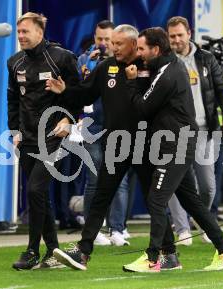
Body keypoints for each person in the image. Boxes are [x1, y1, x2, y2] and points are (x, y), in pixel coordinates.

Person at [48, 24, 181, 271]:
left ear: (134, 45)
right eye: (112, 43)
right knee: (101, 196)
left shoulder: (150, 69)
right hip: (115, 145)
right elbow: (84, 95)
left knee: (155, 201)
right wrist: (65, 91)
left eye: (119, 43)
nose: (114, 47)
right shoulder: (105, 68)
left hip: (144, 144)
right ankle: (83, 250)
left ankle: (169, 254)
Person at [121, 27, 223, 273]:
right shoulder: (169, 66)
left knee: (156, 199)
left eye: (142, 48)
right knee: (193, 203)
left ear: (155, 49)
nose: (139, 53)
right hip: (178, 141)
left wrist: (132, 83)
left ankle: (153, 258)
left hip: (175, 144)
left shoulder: (167, 73)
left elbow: (142, 108)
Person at [7, 12, 80, 270]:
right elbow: (13, 99)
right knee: (40, 197)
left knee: (36, 190)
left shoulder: (62, 57)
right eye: (18, 32)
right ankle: (54, 252)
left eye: (25, 31)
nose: (21, 36)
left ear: (40, 32)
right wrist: (14, 130)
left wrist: (69, 119)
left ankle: (31, 251)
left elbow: (78, 95)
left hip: (54, 137)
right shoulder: (14, 62)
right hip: (27, 138)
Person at [164, 16, 223, 245]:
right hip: (174, 132)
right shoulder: (163, 60)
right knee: (174, 182)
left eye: (179, 35)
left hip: (204, 130)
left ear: (189, 33)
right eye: (172, 36)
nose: (176, 40)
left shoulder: (206, 59)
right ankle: (182, 227)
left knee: (207, 186)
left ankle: (201, 219)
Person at [77, 20, 132, 246]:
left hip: (117, 127)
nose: (103, 43)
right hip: (92, 127)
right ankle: (94, 227)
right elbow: (80, 91)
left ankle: (117, 228)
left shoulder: (123, 62)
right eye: (99, 39)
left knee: (120, 179)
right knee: (94, 178)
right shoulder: (83, 60)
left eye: (108, 40)